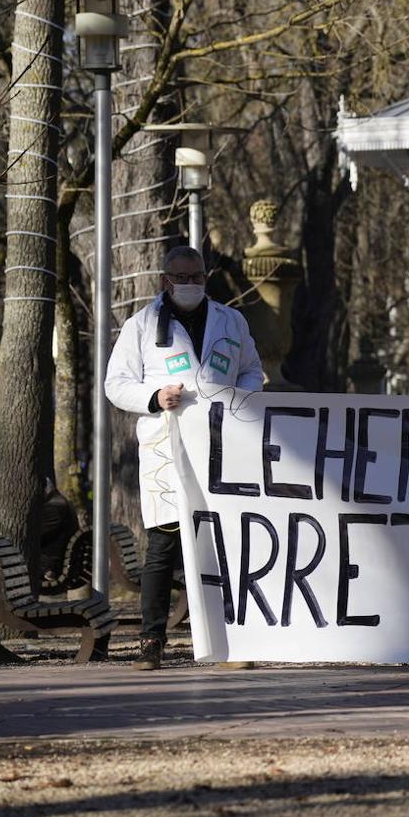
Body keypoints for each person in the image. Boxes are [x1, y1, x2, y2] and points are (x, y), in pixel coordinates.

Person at [105, 245, 264, 670]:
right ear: (165, 280)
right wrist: (154, 397)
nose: (190, 285)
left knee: (222, 542)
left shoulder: (232, 320)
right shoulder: (140, 326)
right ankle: (151, 641)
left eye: (197, 277)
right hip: (166, 447)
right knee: (163, 545)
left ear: (205, 278)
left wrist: (241, 398)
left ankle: (233, 642)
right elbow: (115, 384)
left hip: (221, 445)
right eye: (181, 278)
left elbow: (252, 368)